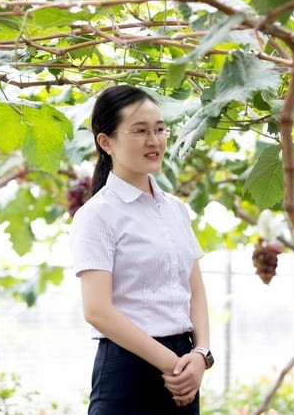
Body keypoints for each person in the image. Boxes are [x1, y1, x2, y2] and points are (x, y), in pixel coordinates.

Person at [70, 85, 213, 414]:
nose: (155, 140)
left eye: (160, 129)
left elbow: (196, 292)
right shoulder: (97, 215)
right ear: (105, 142)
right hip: (129, 368)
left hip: (184, 367)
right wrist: (172, 365)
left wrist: (201, 355)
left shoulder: (175, 208)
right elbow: (97, 311)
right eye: (140, 131)